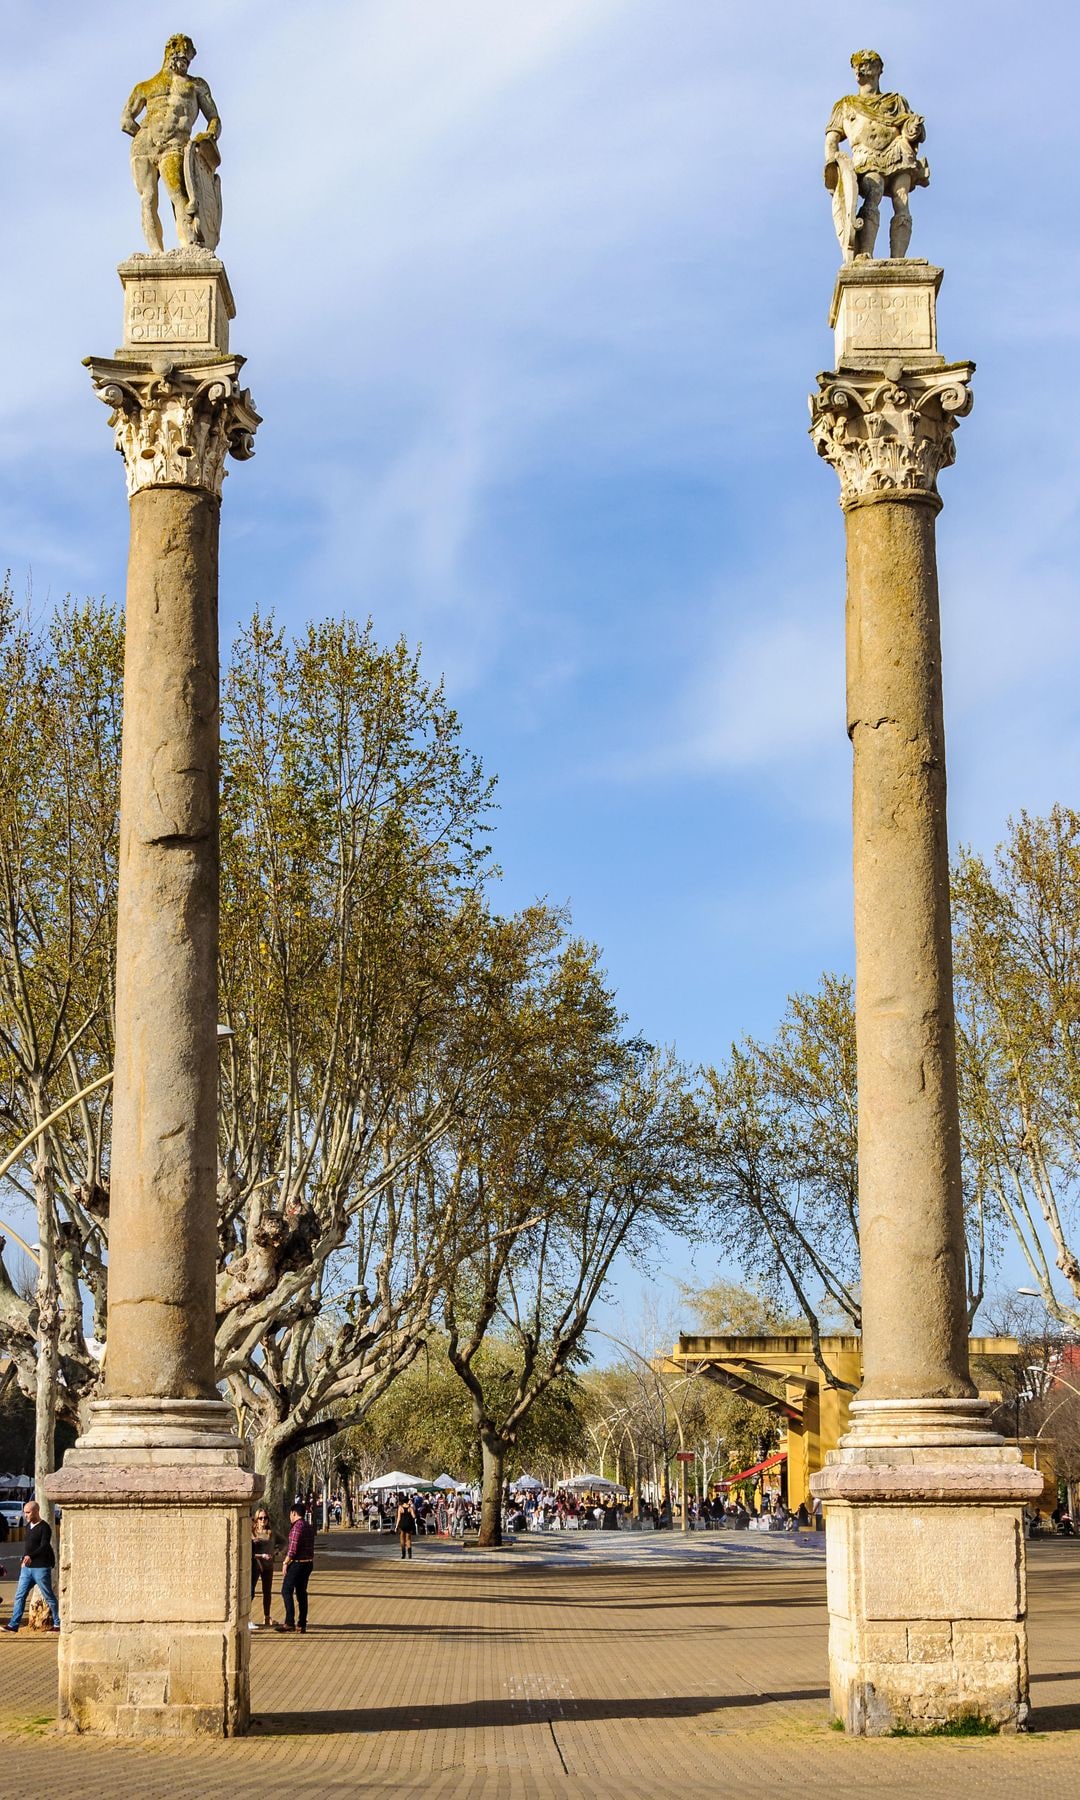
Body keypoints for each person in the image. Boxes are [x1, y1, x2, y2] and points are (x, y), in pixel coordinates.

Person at [824, 50, 928, 261]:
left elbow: (914, 132)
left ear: (879, 69)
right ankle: (865, 253)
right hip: (866, 156)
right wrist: (834, 170)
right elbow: (831, 141)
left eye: (867, 63)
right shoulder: (845, 106)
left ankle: (898, 258)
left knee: (901, 200)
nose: (861, 68)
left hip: (898, 152)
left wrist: (914, 129)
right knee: (874, 194)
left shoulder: (895, 102)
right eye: (857, 65)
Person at [121, 34, 222, 252]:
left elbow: (214, 118)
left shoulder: (196, 86)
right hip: (144, 146)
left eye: (188, 59)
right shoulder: (146, 87)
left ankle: (189, 248)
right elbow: (126, 120)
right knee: (148, 199)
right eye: (181, 56)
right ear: (169, 55)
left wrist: (209, 135)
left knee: (180, 197)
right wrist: (145, 134)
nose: (185, 62)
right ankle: (155, 252)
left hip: (173, 146)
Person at [2, 1500, 60, 1634]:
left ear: (36, 1511)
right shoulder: (28, 1526)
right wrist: (24, 1558)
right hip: (27, 1569)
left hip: (41, 1567)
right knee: (19, 1595)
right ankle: (13, 1625)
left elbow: (44, 1545)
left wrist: (31, 1556)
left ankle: (58, 1624)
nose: (25, 1515)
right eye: (25, 1512)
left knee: (49, 1596)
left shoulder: (44, 1527)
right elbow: (28, 1546)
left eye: (28, 1512)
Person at [275, 1502, 315, 1634]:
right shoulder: (309, 1526)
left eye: (290, 1514)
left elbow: (293, 1548)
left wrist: (285, 1562)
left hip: (297, 1563)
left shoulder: (297, 1527)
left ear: (293, 1513)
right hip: (308, 1563)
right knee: (301, 1592)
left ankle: (289, 1622)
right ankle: (302, 1623)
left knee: (286, 1590)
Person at [250, 1507, 275, 1631]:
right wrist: (260, 1556)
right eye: (260, 1518)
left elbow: (284, 1543)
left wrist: (276, 1552)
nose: (263, 1520)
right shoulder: (251, 1532)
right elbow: (249, 1551)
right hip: (255, 1565)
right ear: (256, 1519)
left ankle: (267, 1616)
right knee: (251, 1591)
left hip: (268, 1566)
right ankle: (247, 1617)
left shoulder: (271, 1532)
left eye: (265, 1518)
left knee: (267, 1592)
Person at [395, 1495, 417, 1560]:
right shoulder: (410, 1508)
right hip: (409, 1524)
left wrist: (396, 1526)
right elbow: (414, 1516)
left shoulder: (400, 1507)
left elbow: (398, 1518)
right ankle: (410, 1555)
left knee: (402, 1539)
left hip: (402, 1524)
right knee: (408, 1539)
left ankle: (403, 1554)